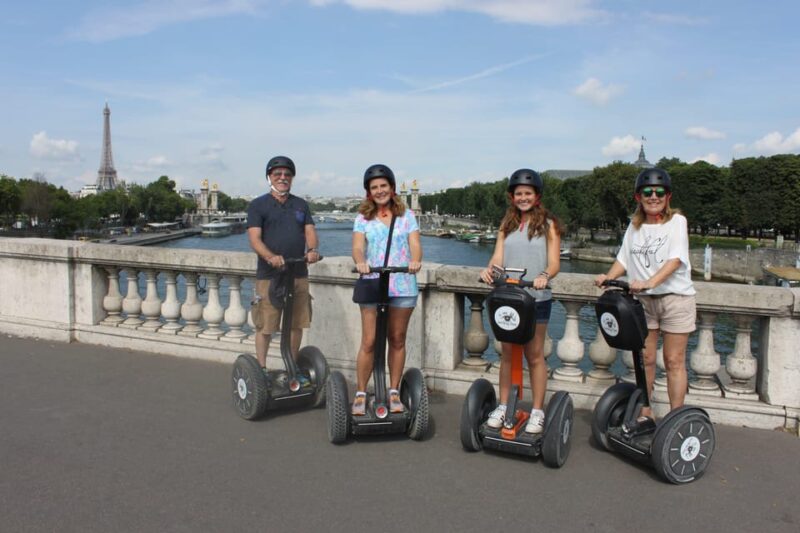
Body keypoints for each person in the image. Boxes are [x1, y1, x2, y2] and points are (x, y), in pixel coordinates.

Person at [594, 167, 696, 423]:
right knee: (646, 359)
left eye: (659, 192)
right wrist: (608, 277)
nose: (653, 196)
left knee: (673, 361)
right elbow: (623, 259)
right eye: (647, 192)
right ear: (638, 197)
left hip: (675, 299)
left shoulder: (677, 222)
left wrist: (650, 282)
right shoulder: (635, 225)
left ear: (668, 196)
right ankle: (645, 412)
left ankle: (675, 417)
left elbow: (675, 260)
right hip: (643, 302)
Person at [479, 168, 562, 434]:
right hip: (510, 298)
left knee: (534, 355)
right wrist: (489, 270)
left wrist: (544, 275)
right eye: (518, 194)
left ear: (536, 196)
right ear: (512, 196)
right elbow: (498, 258)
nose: (523, 197)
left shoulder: (549, 225)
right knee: (507, 355)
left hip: (536, 298)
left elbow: (554, 263)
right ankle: (504, 405)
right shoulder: (507, 224)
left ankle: (537, 410)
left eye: (528, 193)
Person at [351, 164, 422, 415]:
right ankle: (361, 392)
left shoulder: (407, 216)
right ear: (369, 192)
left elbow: (415, 244)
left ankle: (393, 390)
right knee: (369, 341)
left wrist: (415, 261)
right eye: (374, 187)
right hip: (372, 282)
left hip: (402, 284)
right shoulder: (362, 218)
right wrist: (360, 261)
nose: (380, 191)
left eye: (384, 186)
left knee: (397, 339)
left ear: (392, 188)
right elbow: (358, 247)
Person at [247, 156, 320, 382]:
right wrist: (270, 257)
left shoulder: (300, 204)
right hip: (270, 276)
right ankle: (261, 368)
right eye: (277, 174)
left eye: (287, 175)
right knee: (266, 325)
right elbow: (255, 239)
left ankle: (291, 366)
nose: (282, 178)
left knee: (296, 324)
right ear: (269, 177)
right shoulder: (258, 205)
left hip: (297, 272)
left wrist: (313, 249)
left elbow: (309, 231)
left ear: (292, 178)